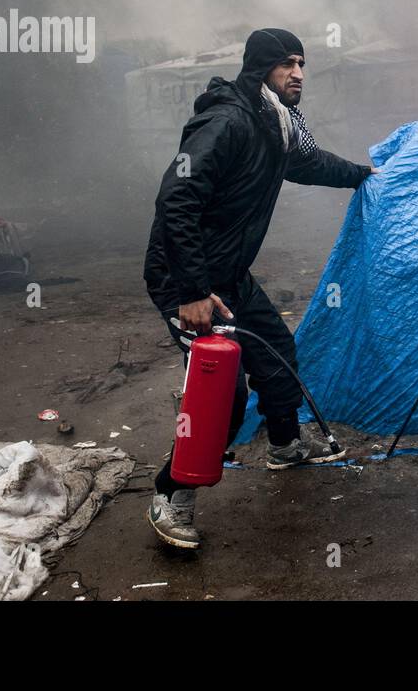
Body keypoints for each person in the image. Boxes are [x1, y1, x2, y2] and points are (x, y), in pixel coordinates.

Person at [142, 27, 373, 547]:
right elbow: (175, 200)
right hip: (187, 277)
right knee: (218, 393)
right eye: (287, 63)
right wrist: (193, 291)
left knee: (277, 353)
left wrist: (364, 175)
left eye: (302, 63)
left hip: (227, 274)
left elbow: (309, 164)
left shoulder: (278, 125)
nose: (298, 74)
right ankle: (168, 497)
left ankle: (287, 444)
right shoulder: (227, 122)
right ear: (260, 69)